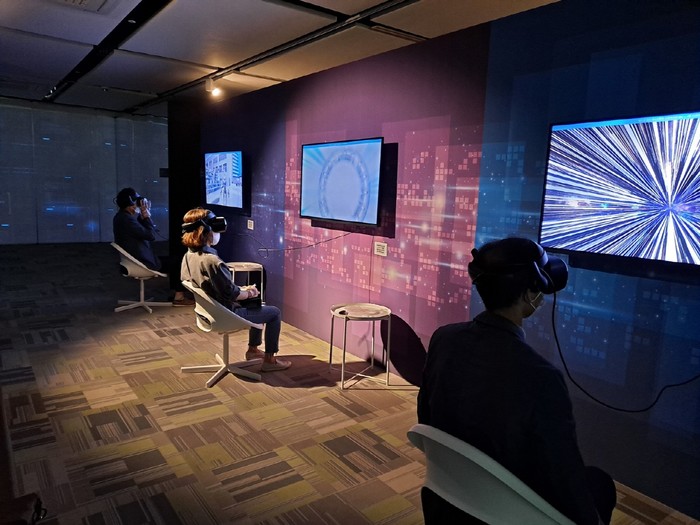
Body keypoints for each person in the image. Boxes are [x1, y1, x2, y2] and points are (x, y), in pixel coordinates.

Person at [417, 237, 616, 525]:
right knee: (599, 484)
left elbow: (425, 415)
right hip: (510, 506)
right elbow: (564, 475)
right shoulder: (541, 376)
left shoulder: (443, 338)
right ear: (529, 293)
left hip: (450, 494)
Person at [180, 207, 291, 372]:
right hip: (226, 313)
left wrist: (242, 290)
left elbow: (213, 286)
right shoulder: (212, 261)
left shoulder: (188, 256)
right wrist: (249, 292)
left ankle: (253, 351)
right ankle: (270, 360)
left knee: (255, 304)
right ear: (206, 230)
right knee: (274, 313)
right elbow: (232, 294)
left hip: (208, 312)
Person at [112, 187, 193, 306]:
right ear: (130, 203)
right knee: (179, 262)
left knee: (173, 259)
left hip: (134, 259)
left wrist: (143, 216)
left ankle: (177, 294)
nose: (138, 204)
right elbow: (151, 235)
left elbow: (139, 231)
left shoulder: (120, 217)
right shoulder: (127, 220)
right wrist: (146, 217)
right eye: (136, 202)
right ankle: (179, 298)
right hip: (142, 262)